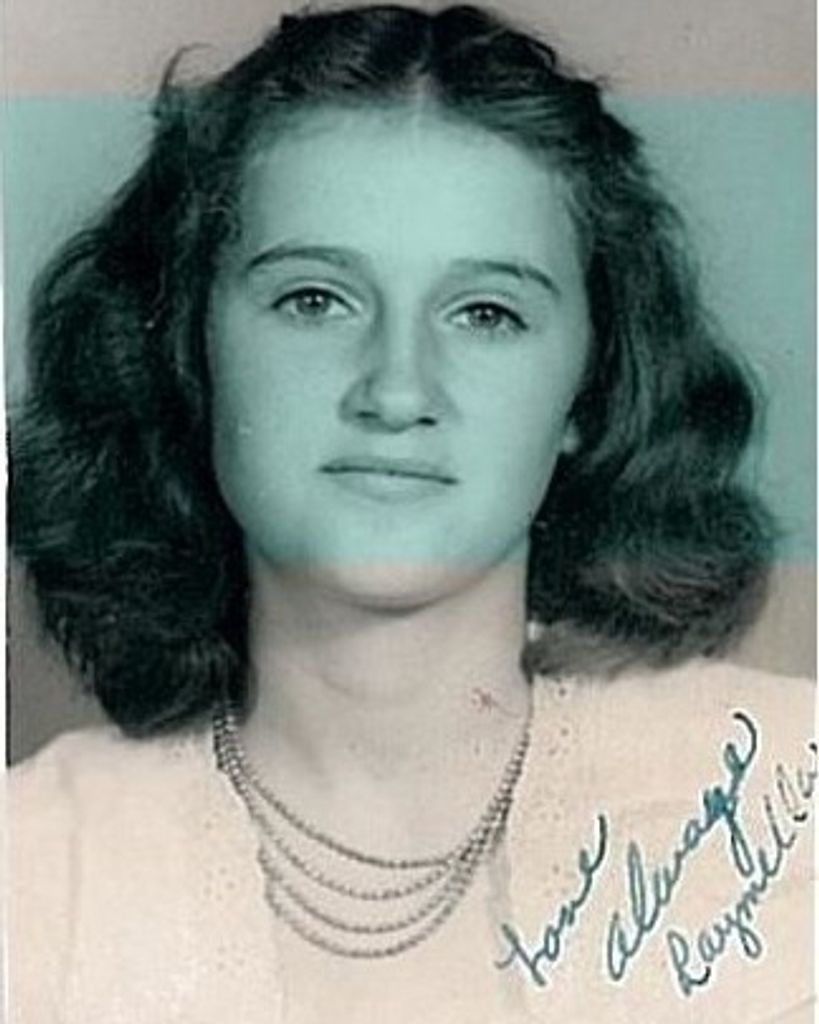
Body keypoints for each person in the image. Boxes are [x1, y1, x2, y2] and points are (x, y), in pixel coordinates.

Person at [7, 4, 814, 1022]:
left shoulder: (787, 807)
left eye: (487, 313)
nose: (396, 391)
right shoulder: (32, 871)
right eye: (313, 299)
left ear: (592, 384)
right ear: (188, 351)